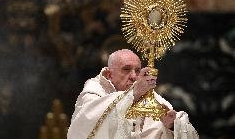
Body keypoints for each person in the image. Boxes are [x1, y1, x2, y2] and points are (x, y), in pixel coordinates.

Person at [67, 49, 199, 139]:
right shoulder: (95, 91)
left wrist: (171, 126)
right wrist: (134, 93)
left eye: (137, 70)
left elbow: (187, 132)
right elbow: (85, 127)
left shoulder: (150, 99)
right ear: (109, 74)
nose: (134, 76)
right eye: (126, 69)